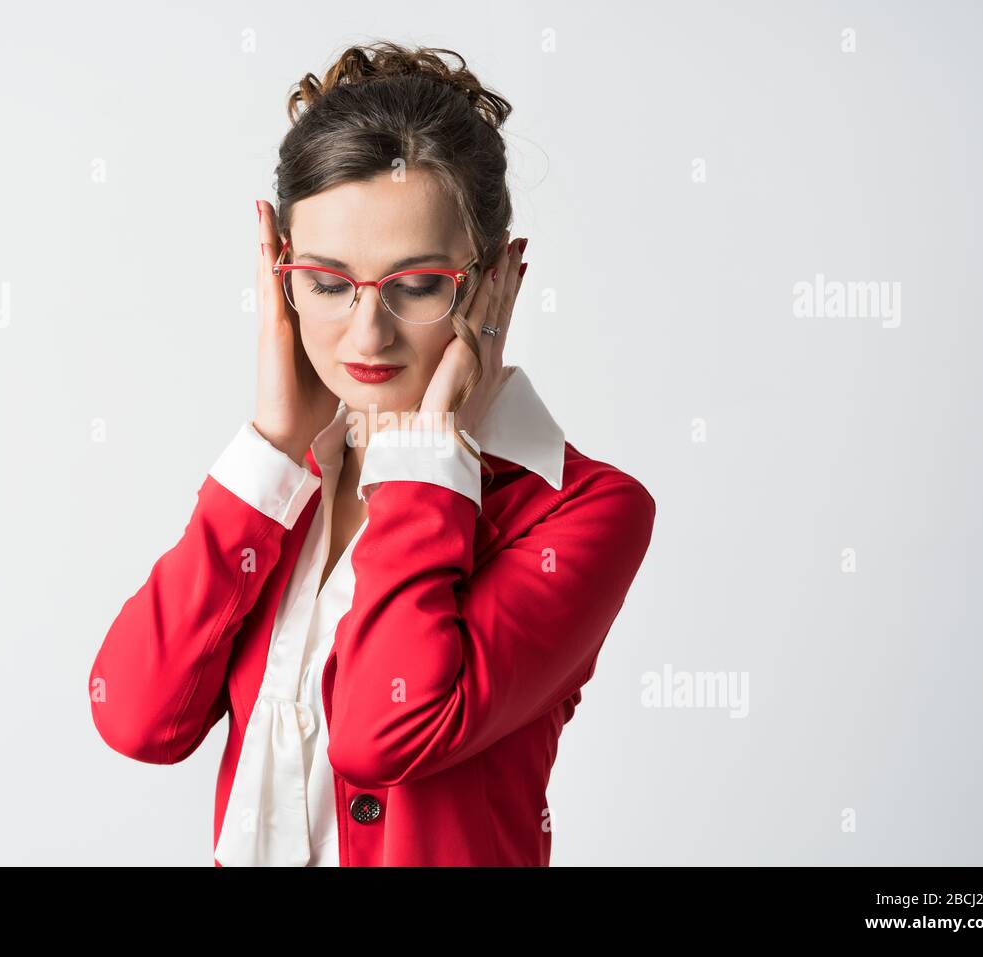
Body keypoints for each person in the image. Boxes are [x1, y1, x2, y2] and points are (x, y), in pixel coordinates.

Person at [88, 40, 656, 866]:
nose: (366, 333)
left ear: (499, 277)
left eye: (417, 284)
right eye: (326, 282)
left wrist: (426, 455)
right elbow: (138, 716)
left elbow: (382, 731)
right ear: (278, 274)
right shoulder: (284, 487)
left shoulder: (583, 510)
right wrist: (274, 445)